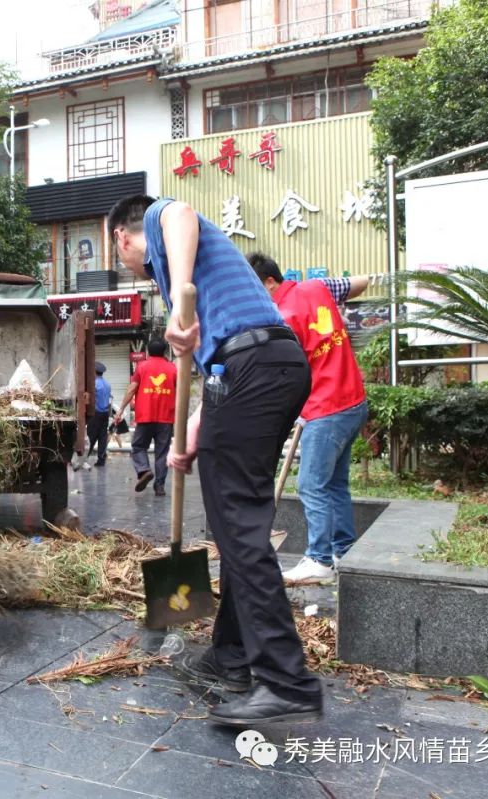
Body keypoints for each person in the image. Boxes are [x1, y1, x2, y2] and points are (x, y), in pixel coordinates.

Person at [109, 194, 320, 726]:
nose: (132, 265)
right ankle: (232, 655)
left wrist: (181, 300)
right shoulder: (219, 290)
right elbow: (220, 366)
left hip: (254, 367)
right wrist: (190, 436)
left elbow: (178, 212)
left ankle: (287, 683)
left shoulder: (160, 224)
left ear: (121, 238)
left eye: (123, 255)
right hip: (267, 366)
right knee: (238, 526)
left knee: (239, 529)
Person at [248, 254, 369, 583]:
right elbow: (361, 282)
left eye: (255, 288)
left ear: (270, 282)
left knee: (311, 484)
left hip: (326, 407)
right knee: (335, 484)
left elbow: (285, 378)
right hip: (353, 401)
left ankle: (319, 559)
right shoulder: (318, 287)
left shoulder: (280, 318)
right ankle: (343, 551)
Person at [113, 339, 176, 497]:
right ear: (165, 351)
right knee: (162, 453)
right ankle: (159, 487)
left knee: (138, 446)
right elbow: (180, 393)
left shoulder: (142, 367)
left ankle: (144, 470)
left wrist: (121, 409)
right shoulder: (173, 368)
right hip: (166, 418)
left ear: (147, 351)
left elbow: (132, 389)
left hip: (145, 417)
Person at [86, 362, 112, 466]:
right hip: (105, 414)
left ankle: (84, 459)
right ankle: (101, 460)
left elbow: (88, 399)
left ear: (94, 372)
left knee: (91, 436)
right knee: (102, 437)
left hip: (95, 414)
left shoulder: (94, 384)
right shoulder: (107, 384)